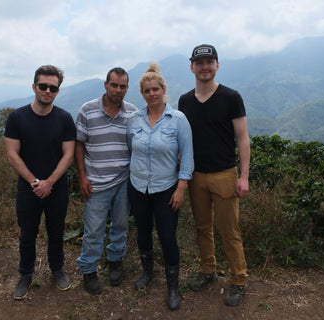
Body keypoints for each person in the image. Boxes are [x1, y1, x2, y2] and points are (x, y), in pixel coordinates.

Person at [178, 44, 251, 307]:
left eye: (210, 62)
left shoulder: (231, 97)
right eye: (200, 63)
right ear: (192, 67)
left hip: (224, 174)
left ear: (217, 65)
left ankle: (239, 279)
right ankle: (208, 270)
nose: (205, 67)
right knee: (202, 228)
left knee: (229, 230)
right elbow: (182, 141)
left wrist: (243, 176)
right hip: (196, 174)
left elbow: (242, 139)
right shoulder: (185, 101)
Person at [4, 65, 76, 300]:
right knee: (27, 233)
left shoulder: (64, 118)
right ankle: (25, 274)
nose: (47, 90)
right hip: (28, 188)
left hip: (57, 188)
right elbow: (12, 153)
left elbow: (69, 154)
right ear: (34, 86)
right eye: (43, 86)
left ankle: (57, 269)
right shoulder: (17, 117)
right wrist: (35, 182)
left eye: (52, 87)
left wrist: (50, 182)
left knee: (56, 231)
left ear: (57, 90)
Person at [127, 63, 194, 311]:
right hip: (138, 187)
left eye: (156, 89)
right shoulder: (134, 120)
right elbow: (129, 148)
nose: (152, 93)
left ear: (164, 89)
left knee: (167, 237)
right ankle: (148, 272)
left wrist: (181, 187)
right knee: (143, 233)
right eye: (147, 90)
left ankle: (173, 286)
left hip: (166, 188)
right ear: (142, 94)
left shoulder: (178, 120)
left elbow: (187, 155)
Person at [75, 67, 138, 295]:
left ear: (127, 88)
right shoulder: (87, 110)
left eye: (122, 86)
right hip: (95, 182)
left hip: (123, 180)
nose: (118, 90)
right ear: (106, 85)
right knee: (93, 229)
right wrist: (82, 176)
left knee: (120, 225)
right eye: (114, 85)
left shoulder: (132, 113)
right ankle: (89, 269)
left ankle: (115, 260)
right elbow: (79, 144)